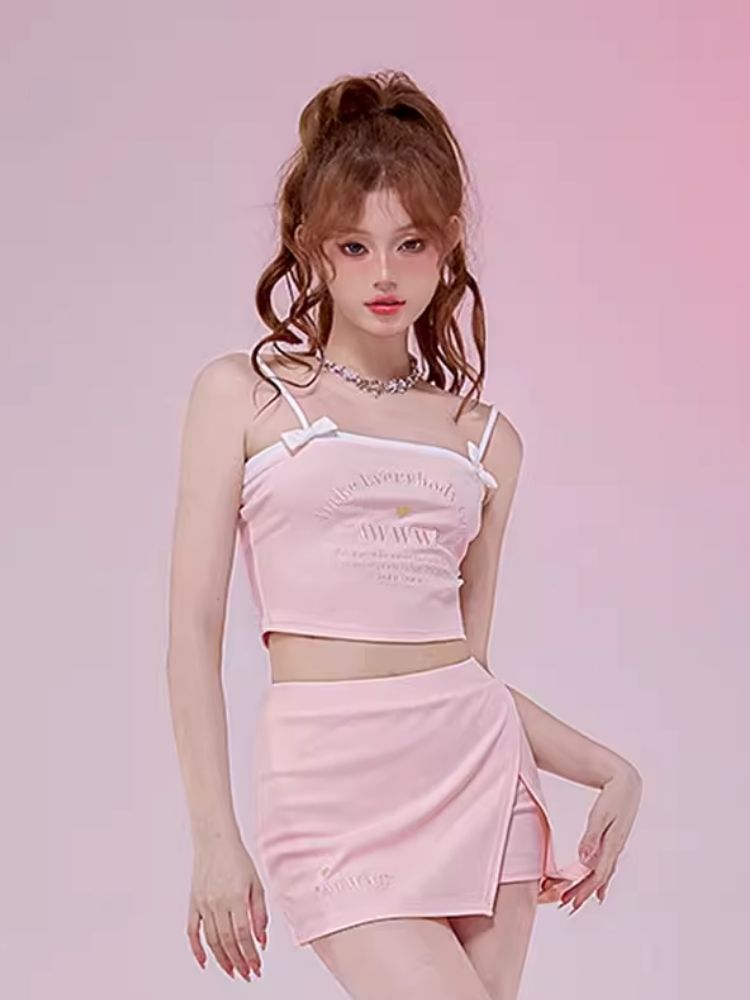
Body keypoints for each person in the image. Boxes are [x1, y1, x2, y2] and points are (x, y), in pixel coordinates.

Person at [166, 69, 643, 999]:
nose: (384, 274)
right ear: (312, 248)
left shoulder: (487, 441)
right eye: (355, 245)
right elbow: (192, 632)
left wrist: (608, 768)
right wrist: (214, 837)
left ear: (447, 242)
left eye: (410, 242)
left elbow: (465, 667)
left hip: (477, 784)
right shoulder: (243, 397)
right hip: (327, 792)